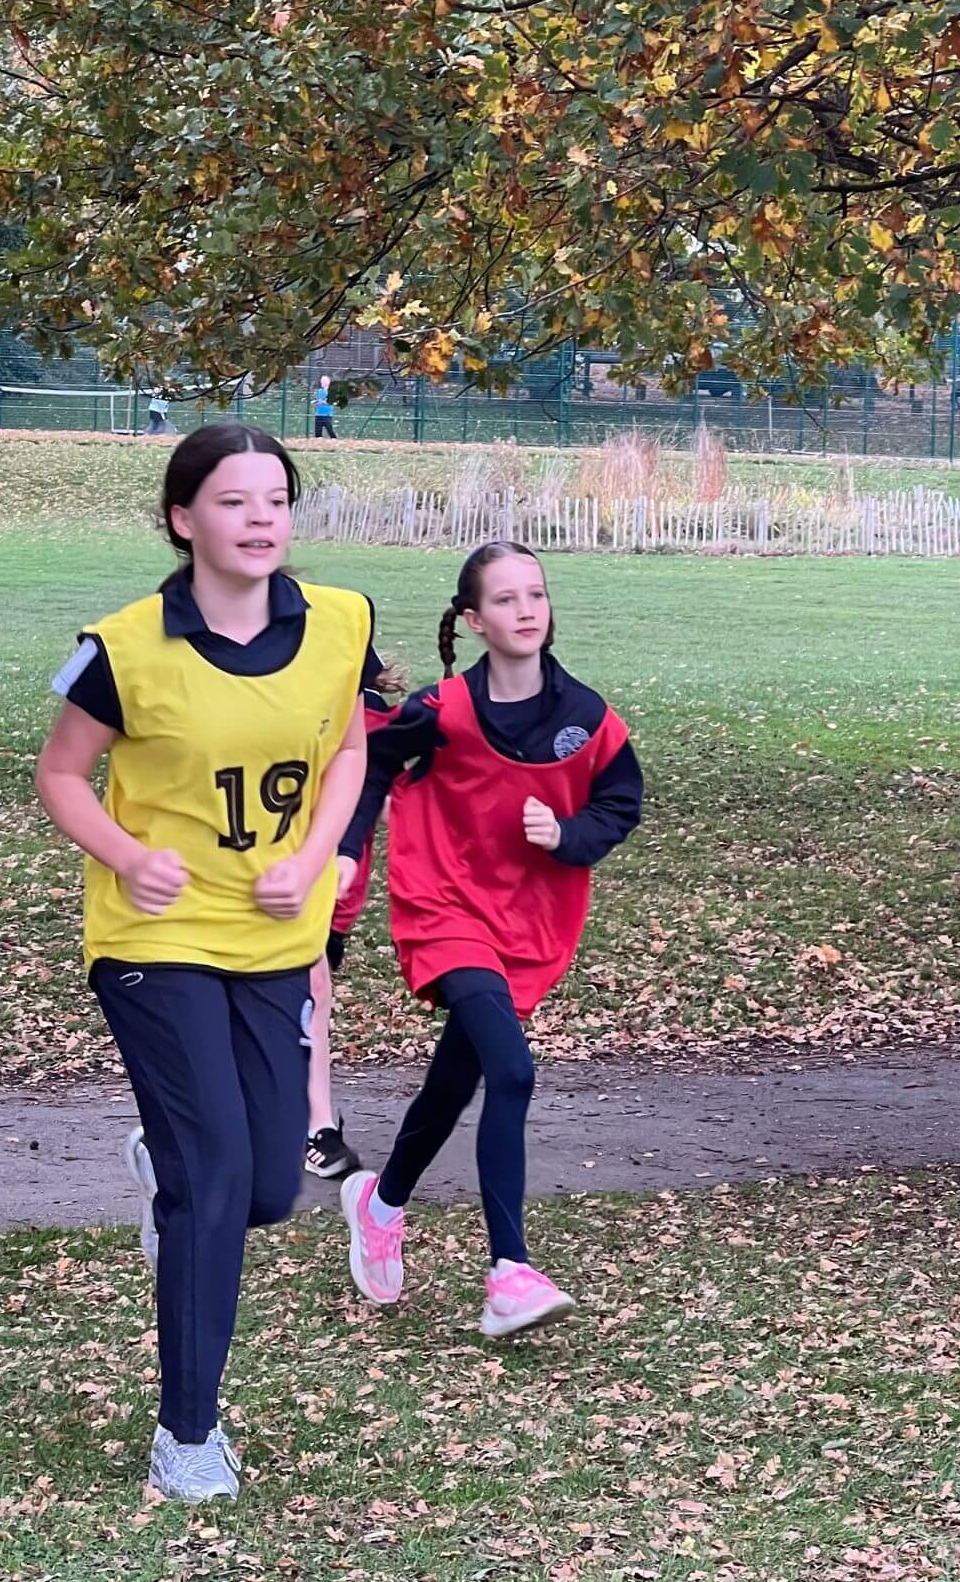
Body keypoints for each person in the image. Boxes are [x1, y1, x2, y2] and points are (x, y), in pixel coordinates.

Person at [35, 422, 371, 1504]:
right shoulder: (125, 647)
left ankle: (168, 1168)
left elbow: (350, 747)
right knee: (220, 1175)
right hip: (154, 940)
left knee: (269, 1184)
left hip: (276, 935)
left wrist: (316, 854)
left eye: (276, 496)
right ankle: (187, 1433)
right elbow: (62, 776)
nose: (261, 516)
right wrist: (131, 856)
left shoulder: (341, 623)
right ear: (185, 518)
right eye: (234, 500)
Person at [333, 541, 642, 1338]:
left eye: (535, 594)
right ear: (472, 621)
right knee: (511, 1070)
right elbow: (367, 767)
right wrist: (344, 850)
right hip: (445, 908)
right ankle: (510, 1272)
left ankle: (382, 1199)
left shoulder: (586, 716)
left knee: (455, 1078)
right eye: (505, 600)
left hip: (529, 924)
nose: (526, 609)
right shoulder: (442, 712)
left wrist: (567, 834)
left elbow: (620, 804)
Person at [304, 654, 407, 1181]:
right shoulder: (291, 704)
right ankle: (316, 1126)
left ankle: (304, 1121)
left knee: (304, 1005)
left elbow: (392, 801)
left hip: (336, 902)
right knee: (310, 992)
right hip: (283, 887)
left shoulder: (375, 718)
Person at [314, 374, 337, 440]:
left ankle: (334, 440)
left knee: (330, 430)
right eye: (321, 380)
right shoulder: (319, 391)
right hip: (318, 414)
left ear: (328, 382)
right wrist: (316, 402)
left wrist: (323, 402)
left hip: (327, 415)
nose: (321, 382)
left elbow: (332, 402)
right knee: (318, 432)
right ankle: (319, 442)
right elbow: (319, 401)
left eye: (323, 381)